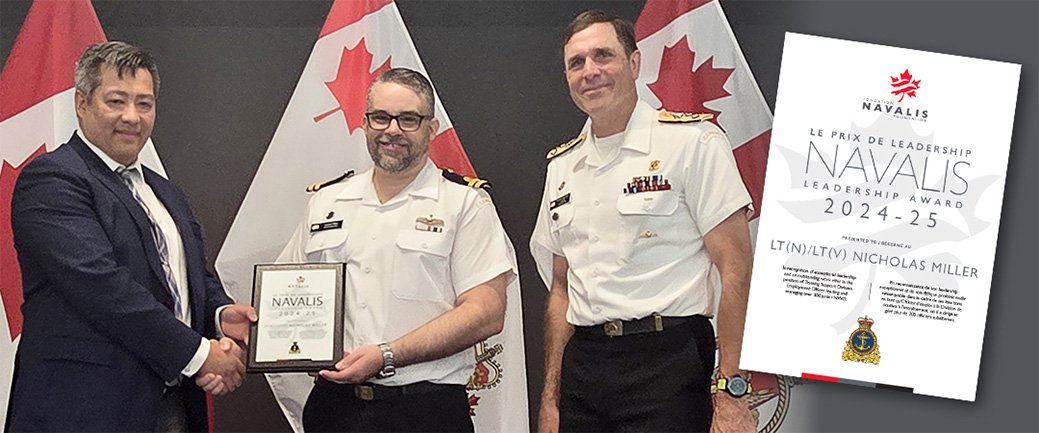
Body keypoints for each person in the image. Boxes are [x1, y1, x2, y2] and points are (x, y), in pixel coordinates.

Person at [6, 41, 256, 433]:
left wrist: (220, 315)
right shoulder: (53, 179)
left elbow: (187, 280)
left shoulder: (164, 191)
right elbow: (103, 288)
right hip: (81, 411)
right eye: (116, 101)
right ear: (81, 103)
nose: (132, 117)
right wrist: (200, 353)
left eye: (144, 103)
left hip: (169, 405)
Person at [530, 10, 756, 433]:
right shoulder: (562, 166)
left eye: (603, 56)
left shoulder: (693, 144)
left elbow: (736, 269)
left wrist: (730, 390)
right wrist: (550, 399)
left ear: (634, 63)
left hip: (667, 361)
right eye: (576, 63)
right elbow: (562, 289)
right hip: (585, 365)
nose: (590, 72)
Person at [278, 67, 515, 433]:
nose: (392, 130)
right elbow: (289, 291)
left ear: (430, 129)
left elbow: (486, 312)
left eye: (408, 119)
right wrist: (299, 345)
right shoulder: (327, 201)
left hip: (425, 411)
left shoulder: (465, 203)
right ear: (365, 123)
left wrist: (386, 355)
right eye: (381, 118)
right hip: (333, 409)